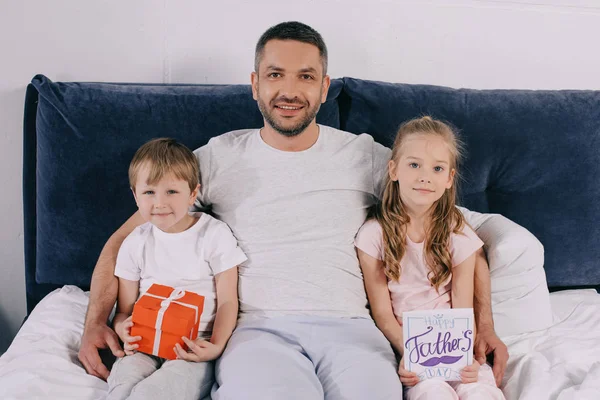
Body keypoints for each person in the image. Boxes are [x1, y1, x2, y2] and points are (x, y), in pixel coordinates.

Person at [78, 21, 508, 398]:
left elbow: (457, 235)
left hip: (354, 330)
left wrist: (484, 327)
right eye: (275, 75)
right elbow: (126, 237)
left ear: (324, 87)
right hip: (258, 331)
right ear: (255, 84)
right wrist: (96, 318)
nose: (289, 90)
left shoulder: (373, 158)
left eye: (306, 76)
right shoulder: (215, 158)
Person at [355, 117, 506, 399]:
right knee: (432, 393)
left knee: (479, 391)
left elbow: (463, 304)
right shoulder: (373, 235)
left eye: (437, 168)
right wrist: (409, 353)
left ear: (449, 179)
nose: (425, 176)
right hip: (412, 350)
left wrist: (466, 352)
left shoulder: (457, 232)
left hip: (456, 344)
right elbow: (383, 313)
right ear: (393, 169)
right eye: (414, 165)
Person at [105, 138, 246, 399]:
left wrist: (215, 346)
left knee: (155, 393)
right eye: (149, 192)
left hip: (193, 348)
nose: (159, 203)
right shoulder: (135, 242)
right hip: (145, 345)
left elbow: (228, 302)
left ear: (193, 194)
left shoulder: (213, 235)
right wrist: (122, 327)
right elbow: (124, 311)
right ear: (135, 195)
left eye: (171, 192)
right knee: (122, 385)